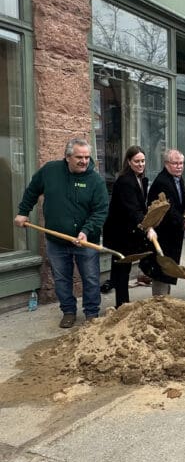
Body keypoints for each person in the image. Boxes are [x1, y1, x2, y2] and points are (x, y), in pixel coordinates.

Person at [14, 138, 109, 328]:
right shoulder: (50, 171)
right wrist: (23, 212)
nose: (84, 161)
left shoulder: (95, 181)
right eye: (79, 157)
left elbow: (101, 211)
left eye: (87, 157)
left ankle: (91, 314)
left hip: (85, 242)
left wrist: (85, 231)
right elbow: (32, 191)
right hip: (56, 240)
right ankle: (68, 311)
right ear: (67, 157)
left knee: (90, 278)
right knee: (61, 279)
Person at [103, 145, 157, 308]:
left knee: (124, 269)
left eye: (143, 161)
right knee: (122, 271)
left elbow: (141, 207)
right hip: (119, 234)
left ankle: (124, 299)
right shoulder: (125, 181)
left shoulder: (142, 179)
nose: (141, 164)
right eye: (137, 161)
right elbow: (133, 210)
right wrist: (148, 227)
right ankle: (122, 306)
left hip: (131, 232)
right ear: (129, 161)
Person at [144, 149, 185, 296]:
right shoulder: (162, 182)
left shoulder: (178, 178)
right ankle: (159, 303)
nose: (179, 166)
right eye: (175, 163)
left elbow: (180, 203)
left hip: (174, 233)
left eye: (181, 163)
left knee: (170, 269)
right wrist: (184, 222)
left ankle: (165, 300)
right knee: (162, 269)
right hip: (163, 233)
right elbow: (169, 209)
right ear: (166, 164)